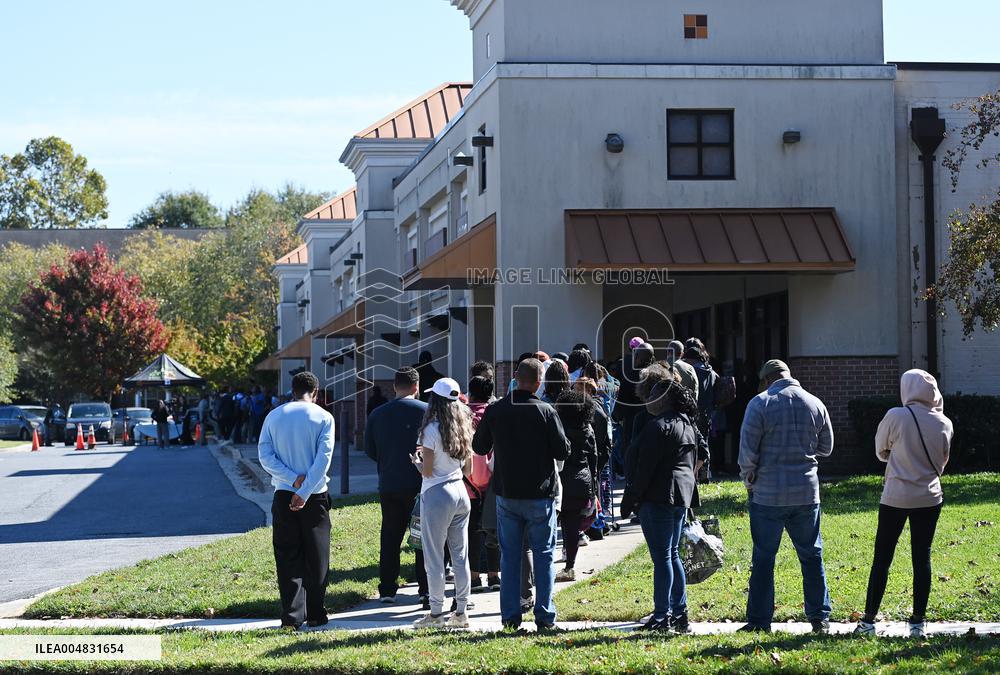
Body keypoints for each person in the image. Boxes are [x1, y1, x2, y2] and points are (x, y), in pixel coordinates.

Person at [472, 358, 570, 630]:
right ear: (539, 383)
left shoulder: (496, 410)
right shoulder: (546, 411)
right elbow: (563, 451)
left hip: (507, 493)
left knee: (511, 555)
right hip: (540, 493)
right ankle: (545, 616)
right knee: (544, 554)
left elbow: (479, 447)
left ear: (515, 377)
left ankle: (510, 616)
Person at [855, 369, 953, 639]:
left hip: (896, 495)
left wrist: (898, 457)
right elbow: (942, 462)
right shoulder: (944, 422)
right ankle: (918, 622)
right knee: (922, 557)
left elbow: (880, 450)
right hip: (929, 496)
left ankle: (868, 619)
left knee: (882, 557)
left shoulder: (896, 416)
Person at [738, 359, 834, 634]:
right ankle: (819, 618)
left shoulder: (759, 404)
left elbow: (747, 452)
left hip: (768, 494)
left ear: (766, 380)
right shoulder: (815, 403)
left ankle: (759, 621)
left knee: (764, 558)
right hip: (806, 492)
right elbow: (826, 447)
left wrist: (749, 479)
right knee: (812, 555)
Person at [621, 379, 708, 633]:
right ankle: (679, 614)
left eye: (654, 395)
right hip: (681, 496)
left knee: (663, 559)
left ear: (664, 400)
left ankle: (662, 616)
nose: (648, 399)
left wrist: (631, 499)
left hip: (658, 497)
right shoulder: (687, 425)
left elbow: (644, 468)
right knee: (672, 556)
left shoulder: (658, 427)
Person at [257, 371, 336, 629]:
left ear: (292, 391)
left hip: (283, 492)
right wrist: (304, 490)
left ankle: (291, 616)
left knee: (287, 555)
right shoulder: (324, 417)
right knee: (317, 556)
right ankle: (315, 613)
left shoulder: (274, 416)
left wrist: (292, 480)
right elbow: (323, 460)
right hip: (315, 495)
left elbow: (265, 456)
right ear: (315, 392)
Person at [411, 377, 475, 629]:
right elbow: (468, 470)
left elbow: (426, 471)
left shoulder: (430, 430)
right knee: (460, 556)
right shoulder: (464, 426)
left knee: (435, 557)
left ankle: (436, 613)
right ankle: (461, 611)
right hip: (460, 491)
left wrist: (415, 462)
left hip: (437, 494)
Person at [364, 368, 430, 605]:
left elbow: (370, 450)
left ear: (394, 386)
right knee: (422, 537)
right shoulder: (428, 412)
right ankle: (425, 587)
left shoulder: (377, 414)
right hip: (420, 483)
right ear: (417, 385)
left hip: (389, 482)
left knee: (390, 537)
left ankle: (388, 588)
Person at [553, 389, 598, 582]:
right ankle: (569, 566)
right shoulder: (588, 430)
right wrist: (594, 489)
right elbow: (594, 458)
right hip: (581, 481)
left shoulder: (558, 427)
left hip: (559, 480)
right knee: (572, 528)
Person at [465, 375, 501, 594]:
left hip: (467, 481)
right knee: (493, 529)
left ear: (470, 392)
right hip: (494, 479)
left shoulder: (461, 414)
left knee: (471, 531)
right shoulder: (495, 413)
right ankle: (494, 575)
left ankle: (475, 578)